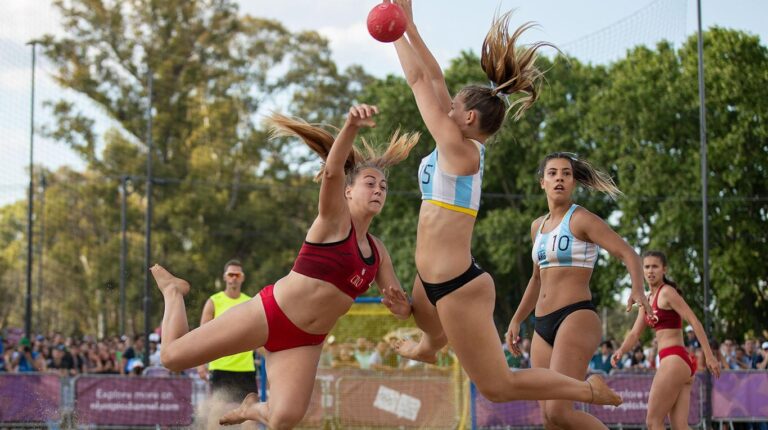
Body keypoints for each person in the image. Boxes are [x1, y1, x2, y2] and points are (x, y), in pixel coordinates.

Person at [389, 0, 622, 406]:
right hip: (430, 280)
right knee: (424, 324)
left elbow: (417, 81)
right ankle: (429, 346)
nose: (447, 108)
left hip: (459, 286)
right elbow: (433, 75)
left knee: (498, 388)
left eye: (454, 107)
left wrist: (393, 32)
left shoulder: (462, 153)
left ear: (469, 120)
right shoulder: (454, 140)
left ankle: (588, 389)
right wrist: (409, 25)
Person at [151, 104, 416, 429]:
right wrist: (350, 126)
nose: (378, 190)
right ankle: (173, 291)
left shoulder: (379, 253)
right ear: (348, 192)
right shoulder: (333, 221)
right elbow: (332, 171)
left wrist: (402, 307)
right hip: (270, 314)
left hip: (306, 340)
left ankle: (251, 409)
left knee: (283, 419)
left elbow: (398, 306)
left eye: (383, 187)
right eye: (370, 184)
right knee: (170, 358)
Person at [505, 151, 652, 428]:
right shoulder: (537, 227)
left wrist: (637, 289)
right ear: (542, 182)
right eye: (552, 173)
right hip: (542, 325)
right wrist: (516, 319)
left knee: (560, 411)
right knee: (549, 418)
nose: (559, 178)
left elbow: (629, 253)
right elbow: (536, 280)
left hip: (575, 317)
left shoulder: (581, 219)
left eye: (566, 174)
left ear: (573, 183)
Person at [611, 250, 721, 430]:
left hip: (674, 359)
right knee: (680, 426)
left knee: (653, 422)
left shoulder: (667, 292)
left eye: (655, 266)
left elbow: (694, 321)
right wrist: (621, 351)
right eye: (646, 267)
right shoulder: (646, 299)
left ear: (664, 270)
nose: (650, 271)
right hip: (678, 363)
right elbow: (634, 334)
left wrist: (709, 356)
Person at [196, 259, 259, 403]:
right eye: (231, 275)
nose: (234, 279)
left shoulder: (251, 302)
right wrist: (200, 365)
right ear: (225, 277)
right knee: (217, 416)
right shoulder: (213, 301)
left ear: (242, 277)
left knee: (250, 417)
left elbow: (259, 335)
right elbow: (201, 335)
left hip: (245, 369)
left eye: (237, 275)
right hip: (220, 368)